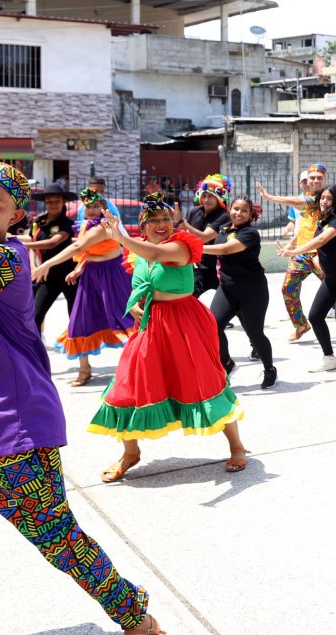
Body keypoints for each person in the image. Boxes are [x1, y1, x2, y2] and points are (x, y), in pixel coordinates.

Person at [0, 162, 162, 635]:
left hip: (18, 432)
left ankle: (138, 620)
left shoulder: (7, 259)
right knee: (62, 542)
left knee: (61, 543)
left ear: (16, 216)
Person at [89, 193, 248, 481]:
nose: (161, 225)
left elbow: (157, 255)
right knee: (128, 384)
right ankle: (130, 453)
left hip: (184, 322)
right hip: (152, 323)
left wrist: (120, 237)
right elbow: (141, 285)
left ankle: (237, 447)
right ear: (144, 226)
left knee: (204, 382)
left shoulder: (180, 246)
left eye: (165, 219)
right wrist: (135, 305)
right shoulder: (138, 253)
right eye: (154, 220)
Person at [34, 188, 136, 386]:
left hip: (111, 276)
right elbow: (87, 253)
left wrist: (47, 264)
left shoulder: (103, 226)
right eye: (88, 206)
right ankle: (84, 369)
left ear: (103, 207)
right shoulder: (87, 225)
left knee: (124, 318)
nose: (91, 210)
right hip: (92, 276)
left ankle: (139, 364)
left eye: (96, 206)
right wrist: (79, 268)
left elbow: (78, 248)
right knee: (80, 320)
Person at [277, 184, 336, 374]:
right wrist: (312, 257)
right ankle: (329, 359)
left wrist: (294, 251)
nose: (324, 201)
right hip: (332, 277)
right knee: (315, 316)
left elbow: (321, 241)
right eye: (322, 198)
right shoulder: (323, 220)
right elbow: (318, 246)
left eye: (328, 198)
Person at [201, 196, 277, 389]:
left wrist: (195, 248)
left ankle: (269, 369)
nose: (239, 213)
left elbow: (226, 250)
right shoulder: (224, 229)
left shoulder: (250, 233)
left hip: (253, 290)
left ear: (251, 214)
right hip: (227, 289)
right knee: (212, 326)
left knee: (255, 333)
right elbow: (215, 245)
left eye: (244, 210)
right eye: (236, 209)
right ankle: (227, 363)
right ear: (230, 209)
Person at [258, 163, 326, 342]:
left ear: (324, 179)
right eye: (312, 178)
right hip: (302, 254)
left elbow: (297, 203)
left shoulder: (325, 198)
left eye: (319, 177)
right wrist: (291, 245)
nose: (315, 181)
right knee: (288, 288)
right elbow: (304, 229)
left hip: (321, 253)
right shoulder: (305, 200)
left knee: (334, 289)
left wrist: (269, 197)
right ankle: (301, 324)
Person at [21, 181, 79, 330]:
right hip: (48, 276)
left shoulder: (66, 223)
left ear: (63, 202)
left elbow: (52, 243)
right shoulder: (39, 221)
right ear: (45, 203)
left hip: (69, 276)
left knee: (75, 319)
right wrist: (34, 266)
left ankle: (78, 352)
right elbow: (32, 240)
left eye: (57, 201)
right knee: (35, 317)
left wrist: (23, 245)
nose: (53, 205)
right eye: (49, 202)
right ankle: (35, 352)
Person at [178, 174, 232, 298]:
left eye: (211, 196)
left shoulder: (224, 216)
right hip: (196, 267)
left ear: (219, 198)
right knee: (190, 300)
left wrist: (182, 223)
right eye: (205, 195)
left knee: (230, 305)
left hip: (216, 268)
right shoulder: (194, 211)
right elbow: (186, 236)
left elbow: (204, 237)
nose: (207, 200)